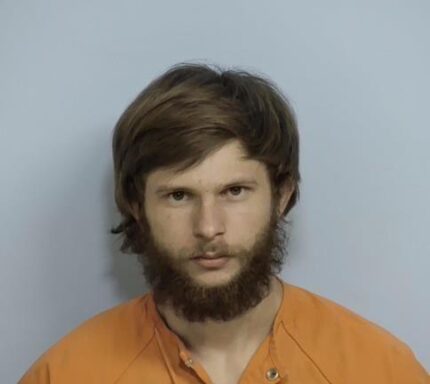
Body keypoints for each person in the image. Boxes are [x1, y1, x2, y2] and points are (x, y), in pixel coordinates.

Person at [19, 63, 428, 384]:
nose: (208, 227)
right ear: (135, 205)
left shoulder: (381, 369)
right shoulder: (64, 375)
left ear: (281, 195)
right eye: (179, 195)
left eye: (234, 191)